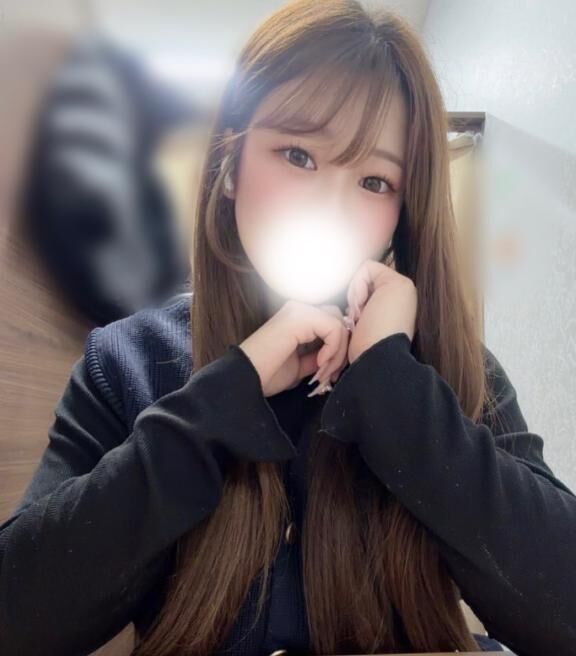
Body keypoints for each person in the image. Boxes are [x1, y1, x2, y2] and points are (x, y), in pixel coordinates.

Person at [1, 1, 575, 655]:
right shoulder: (129, 358)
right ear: (230, 165)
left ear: (404, 213)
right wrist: (222, 401)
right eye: (297, 154)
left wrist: (395, 388)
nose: (330, 205)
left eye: (374, 180)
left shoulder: (453, 368)